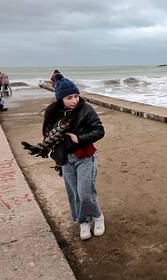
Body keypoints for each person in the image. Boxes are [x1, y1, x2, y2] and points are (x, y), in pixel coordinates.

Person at [22, 73, 106, 241]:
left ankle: (97, 216)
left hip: (85, 157)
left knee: (85, 193)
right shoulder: (54, 114)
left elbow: (99, 130)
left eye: (76, 96)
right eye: (69, 97)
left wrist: (79, 139)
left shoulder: (86, 109)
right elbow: (49, 136)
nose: (74, 100)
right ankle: (83, 221)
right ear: (60, 98)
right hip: (66, 159)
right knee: (74, 193)